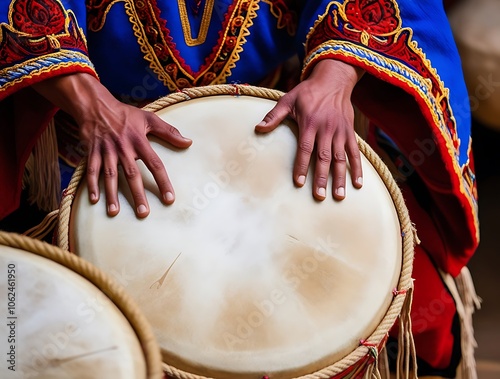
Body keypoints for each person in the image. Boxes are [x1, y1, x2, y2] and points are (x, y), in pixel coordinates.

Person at [0, 0, 479, 377]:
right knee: (44, 334)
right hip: (95, 149)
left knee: (414, 312)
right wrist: (91, 105)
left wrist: (336, 77)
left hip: (287, 133)